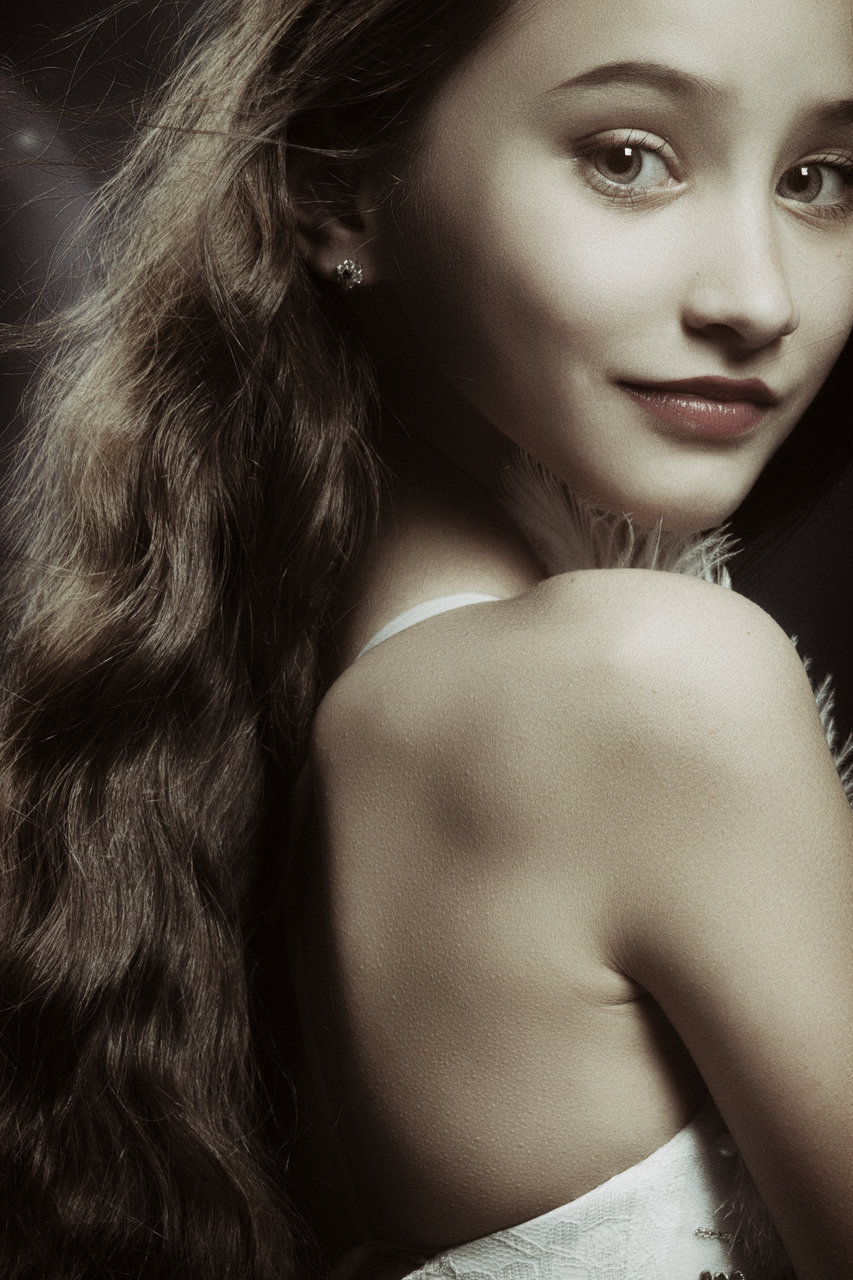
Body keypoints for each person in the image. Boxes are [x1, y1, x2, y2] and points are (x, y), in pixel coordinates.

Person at [1, 0, 852, 1278]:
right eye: (627, 157)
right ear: (341, 191)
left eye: (818, 178)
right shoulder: (651, 683)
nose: (756, 297)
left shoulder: (258, 711)